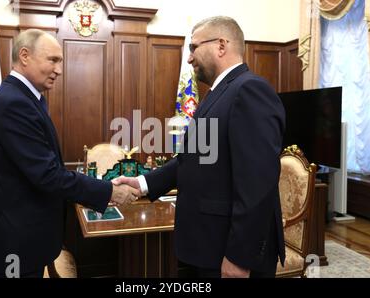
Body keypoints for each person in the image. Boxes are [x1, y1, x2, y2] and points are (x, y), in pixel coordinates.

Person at [113, 16, 286, 278]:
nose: (190, 58)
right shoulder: (216, 94)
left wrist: (239, 258)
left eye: (193, 48)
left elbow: (257, 185)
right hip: (208, 244)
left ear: (221, 45)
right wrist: (143, 184)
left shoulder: (250, 90)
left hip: (232, 253)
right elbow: (193, 158)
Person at [0, 29, 140, 278]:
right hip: (14, 240)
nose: (59, 69)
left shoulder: (26, 98)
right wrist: (110, 192)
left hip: (25, 234)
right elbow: (48, 175)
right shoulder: (14, 103)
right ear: (25, 56)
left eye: (60, 61)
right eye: (52, 60)